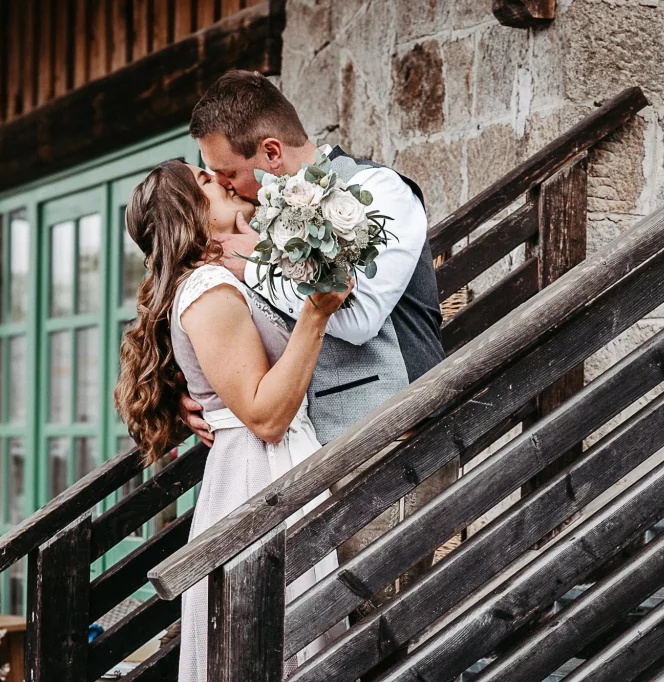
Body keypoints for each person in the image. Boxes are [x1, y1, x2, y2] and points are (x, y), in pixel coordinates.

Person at [183, 70, 453, 624]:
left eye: (229, 173)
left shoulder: (380, 193)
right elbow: (233, 316)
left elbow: (356, 318)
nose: (226, 187)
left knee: (389, 628)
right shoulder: (257, 218)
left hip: (388, 447)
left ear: (271, 152)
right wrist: (195, 391)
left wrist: (254, 263)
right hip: (305, 460)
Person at [114, 160, 349, 681]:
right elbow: (265, 416)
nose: (218, 179)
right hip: (257, 474)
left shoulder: (214, 280)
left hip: (265, 468)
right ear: (187, 212)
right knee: (267, 638)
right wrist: (316, 313)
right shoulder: (206, 291)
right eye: (202, 180)